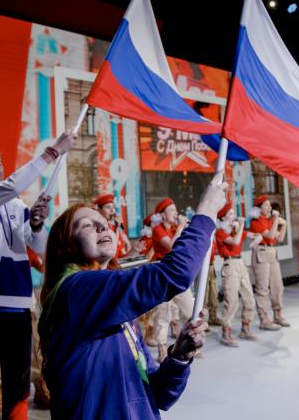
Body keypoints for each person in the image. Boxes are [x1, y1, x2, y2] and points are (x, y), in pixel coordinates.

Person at [38, 173, 227, 419]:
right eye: (86, 225)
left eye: (103, 222)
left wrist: (179, 356)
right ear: (66, 246)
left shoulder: (114, 308)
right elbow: (176, 273)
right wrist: (206, 213)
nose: (102, 226)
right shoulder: (76, 291)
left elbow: (158, 395)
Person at [0, 132, 75, 420]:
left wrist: (36, 225)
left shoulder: (17, 206)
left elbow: (40, 247)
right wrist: (52, 153)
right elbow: (12, 186)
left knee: (18, 394)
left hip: (19, 309)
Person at [151, 197, 194, 360]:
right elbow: (170, 246)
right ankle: (162, 349)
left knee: (190, 308)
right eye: (172, 210)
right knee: (163, 312)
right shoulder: (157, 229)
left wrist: (186, 228)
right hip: (162, 272)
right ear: (162, 215)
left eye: (176, 210)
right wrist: (181, 227)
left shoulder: (177, 228)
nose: (176, 213)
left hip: (177, 272)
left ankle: (189, 343)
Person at [215, 203, 260, 346]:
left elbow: (254, 235)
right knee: (232, 301)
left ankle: (245, 329)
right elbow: (234, 242)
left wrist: (257, 238)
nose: (234, 216)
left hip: (240, 263)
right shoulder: (220, 232)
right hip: (230, 265)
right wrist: (241, 226)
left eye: (234, 213)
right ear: (223, 218)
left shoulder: (236, 230)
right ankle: (226, 333)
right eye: (230, 214)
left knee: (249, 298)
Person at [249, 196, 289, 329]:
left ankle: (278, 315)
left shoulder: (268, 220)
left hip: (272, 252)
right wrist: (276, 219)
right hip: (261, 252)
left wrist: (284, 224)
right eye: (266, 205)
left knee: (278, 286)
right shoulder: (256, 222)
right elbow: (270, 235)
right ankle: (264, 319)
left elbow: (280, 238)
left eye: (269, 205)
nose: (269, 207)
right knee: (263, 288)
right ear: (259, 208)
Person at [93, 193, 132, 266]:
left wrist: (127, 243)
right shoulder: (99, 228)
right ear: (99, 210)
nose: (112, 210)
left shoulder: (114, 226)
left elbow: (123, 249)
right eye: (108, 207)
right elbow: (112, 248)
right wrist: (117, 229)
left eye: (113, 207)